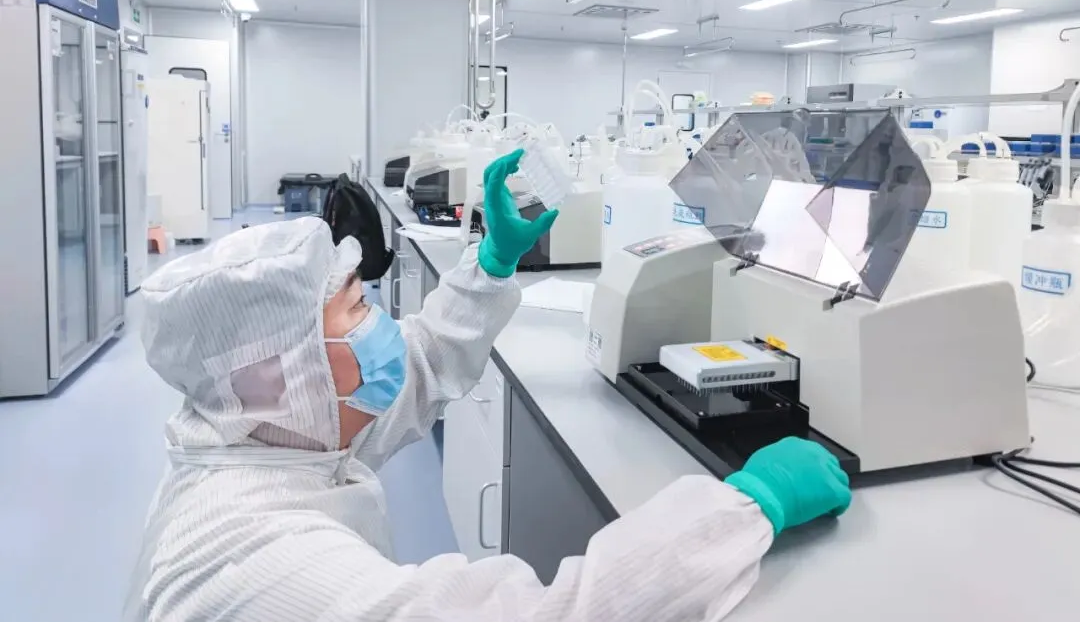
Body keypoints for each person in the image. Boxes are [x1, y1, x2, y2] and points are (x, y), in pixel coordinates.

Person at [126, 150, 851, 622]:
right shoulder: (264, 565)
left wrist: (493, 261)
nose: (383, 324)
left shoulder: (268, 430)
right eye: (356, 309)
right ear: (279, 373)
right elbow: (559, 613)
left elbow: (423, 363)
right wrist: (742, 508)